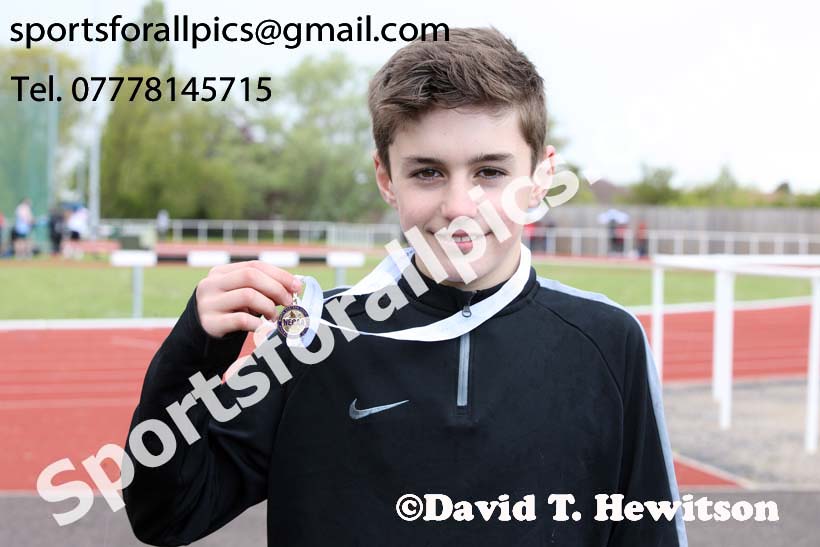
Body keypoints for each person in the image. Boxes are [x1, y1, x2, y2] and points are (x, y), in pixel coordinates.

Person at [123, 27, 686, 546]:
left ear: (540, 176)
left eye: (490, 172)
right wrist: (197, 349)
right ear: (386, 178)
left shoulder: (609, 342)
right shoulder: (315, 341)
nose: (459, 207)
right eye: (427, 172)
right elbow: (167, 514)